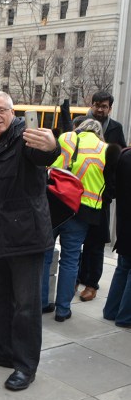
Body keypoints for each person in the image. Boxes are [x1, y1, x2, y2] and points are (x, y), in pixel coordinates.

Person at [0, 91, 60, 391]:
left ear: (13, 112)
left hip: (26, 239)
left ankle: (25, 366)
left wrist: (53, 146)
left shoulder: (26, 140)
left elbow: (43, 154)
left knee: (26, 307)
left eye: (2, 110)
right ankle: (4, 351)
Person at [41, 118, 119, 322]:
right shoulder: (105, 148)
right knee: (70, 260)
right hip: (82, 212)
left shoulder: (67, 137)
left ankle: (41, 302)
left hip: (55, 206)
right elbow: (109, 184)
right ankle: (63, 310)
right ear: (99, 133)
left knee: (44, 256)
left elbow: (49, 162)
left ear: (80, 128)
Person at [77, 91, 127, 302]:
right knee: (75, 241)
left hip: (101, 196)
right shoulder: (79, 123)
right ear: (92, 104)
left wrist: (111, 191)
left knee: (96, 243)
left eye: (104, 106)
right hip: (77, 195)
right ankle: (77, 277)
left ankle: (91, 284)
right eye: (97, 105)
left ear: (110, 108)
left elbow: (121, 160)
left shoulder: (115, 128)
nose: (99, 109)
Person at [103, 147, 131, 327]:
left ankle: (111, 311)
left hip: (124, 220)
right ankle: (125, 317)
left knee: (123, 267)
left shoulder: (125, 155)